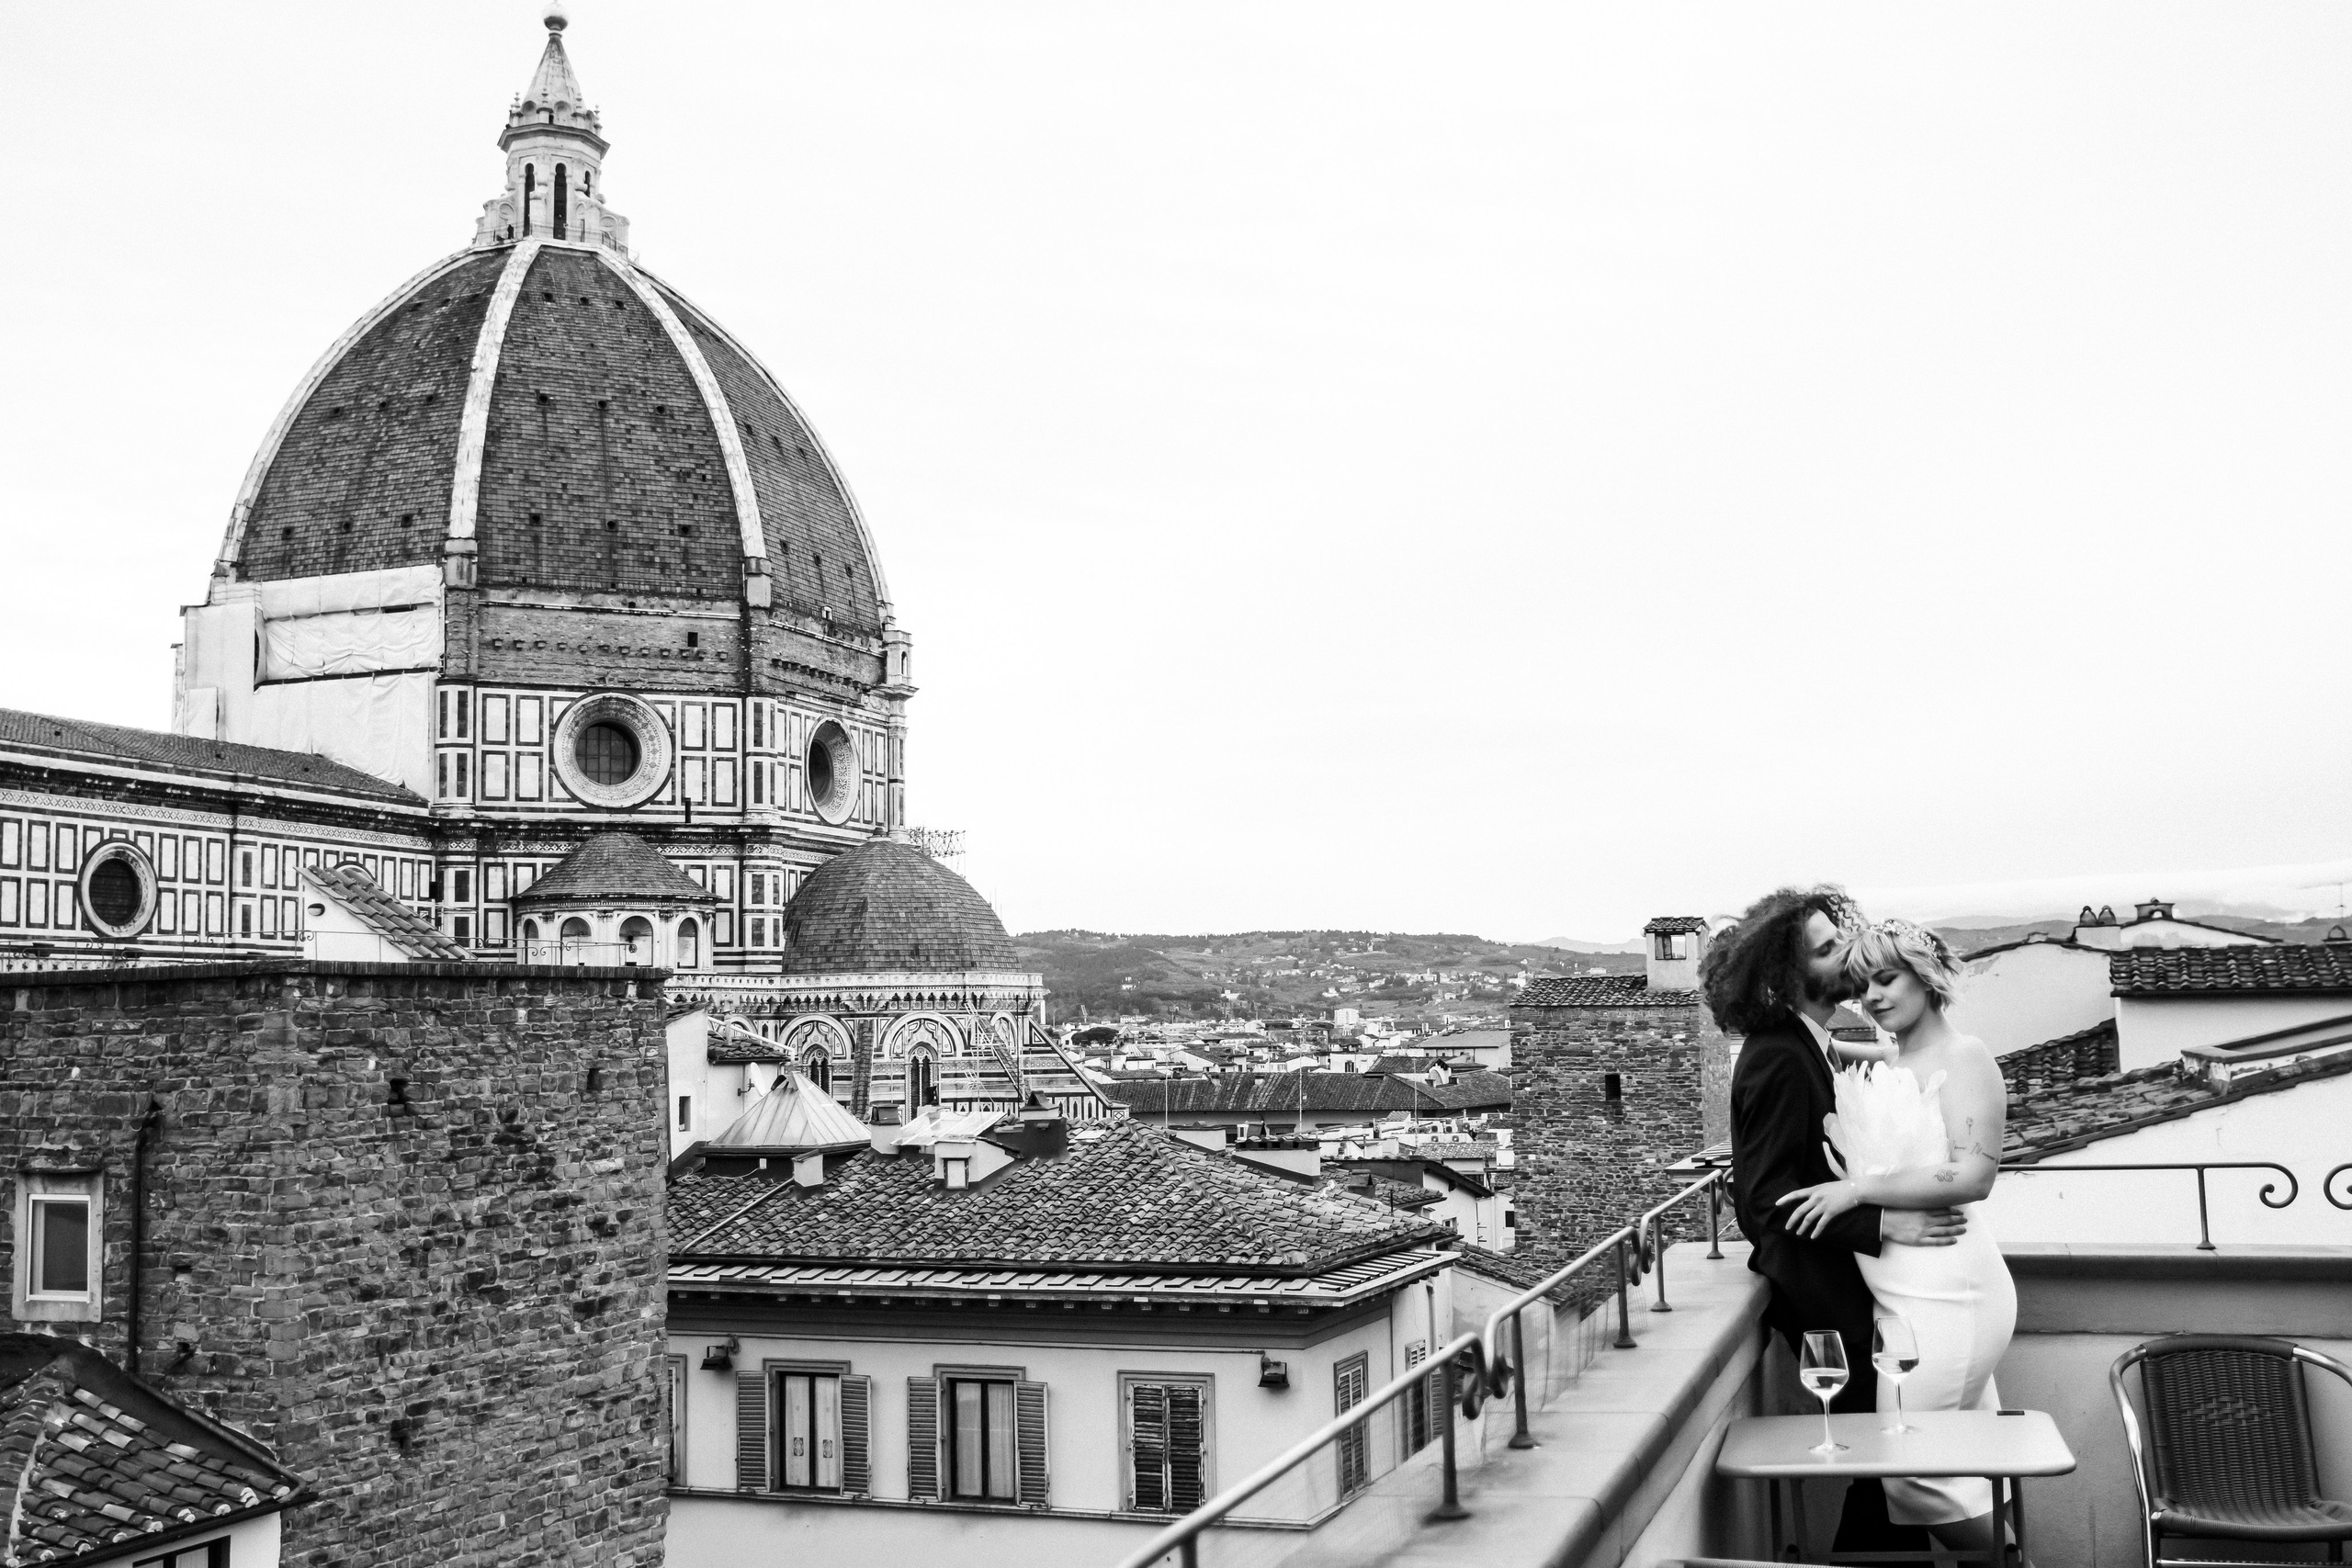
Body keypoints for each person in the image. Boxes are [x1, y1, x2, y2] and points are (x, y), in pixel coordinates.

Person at [1710, 887, 1966, 1559]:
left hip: (1834, 1281)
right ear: (1786, 975)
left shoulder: (1808, 1044)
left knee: (1886, 1459)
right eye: (1827, 950)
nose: (1845, 957)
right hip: (1817, 1292)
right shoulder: (1776, 1056)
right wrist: (1882, 1226)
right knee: (1885, 1460)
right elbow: (1762, 1202)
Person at [1778, 919, 2020, 1562]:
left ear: (1927, 975)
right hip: (1905, 1301)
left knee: (1911, 1470)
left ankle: (2015, 1559)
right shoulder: (1893, 1060)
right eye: (1864, 988)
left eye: (1887, 979)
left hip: (1951, 1296)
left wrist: (1858, 1192)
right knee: (1965, 1459)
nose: (1874, 998)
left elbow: (1975, 1173)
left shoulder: (1966, 1056)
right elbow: (1804, 1047)